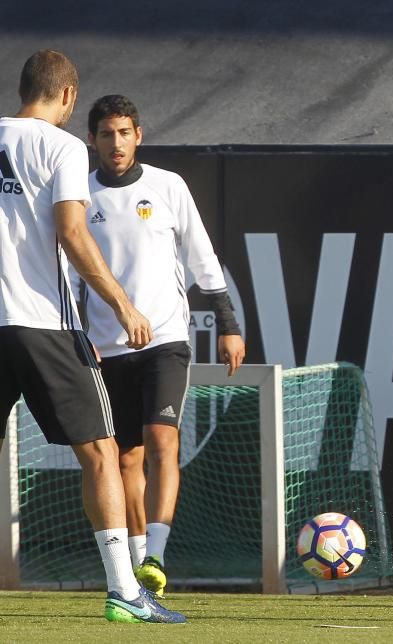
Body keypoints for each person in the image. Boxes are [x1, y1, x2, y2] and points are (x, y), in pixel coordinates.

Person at [0, 51, 185, 623]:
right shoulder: (60, 147)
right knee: (103, 453)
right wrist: (121, 303)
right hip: (42, 323)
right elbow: (71, 231)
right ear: (69, 96)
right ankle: (126, 592)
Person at [78, 94, 246, 598]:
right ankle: (133, 571)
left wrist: (228, 323)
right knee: (124, 458)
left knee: (162, 440)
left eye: (124, 132)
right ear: (93, 140)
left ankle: (156, 553)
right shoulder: (80, 198)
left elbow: (202, 257)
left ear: (139, 135)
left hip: (167, 339)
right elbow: (69, 276)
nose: (116, 143)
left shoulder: (168, 186)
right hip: (107, 348)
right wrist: (80, 340)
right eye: (106, 134)